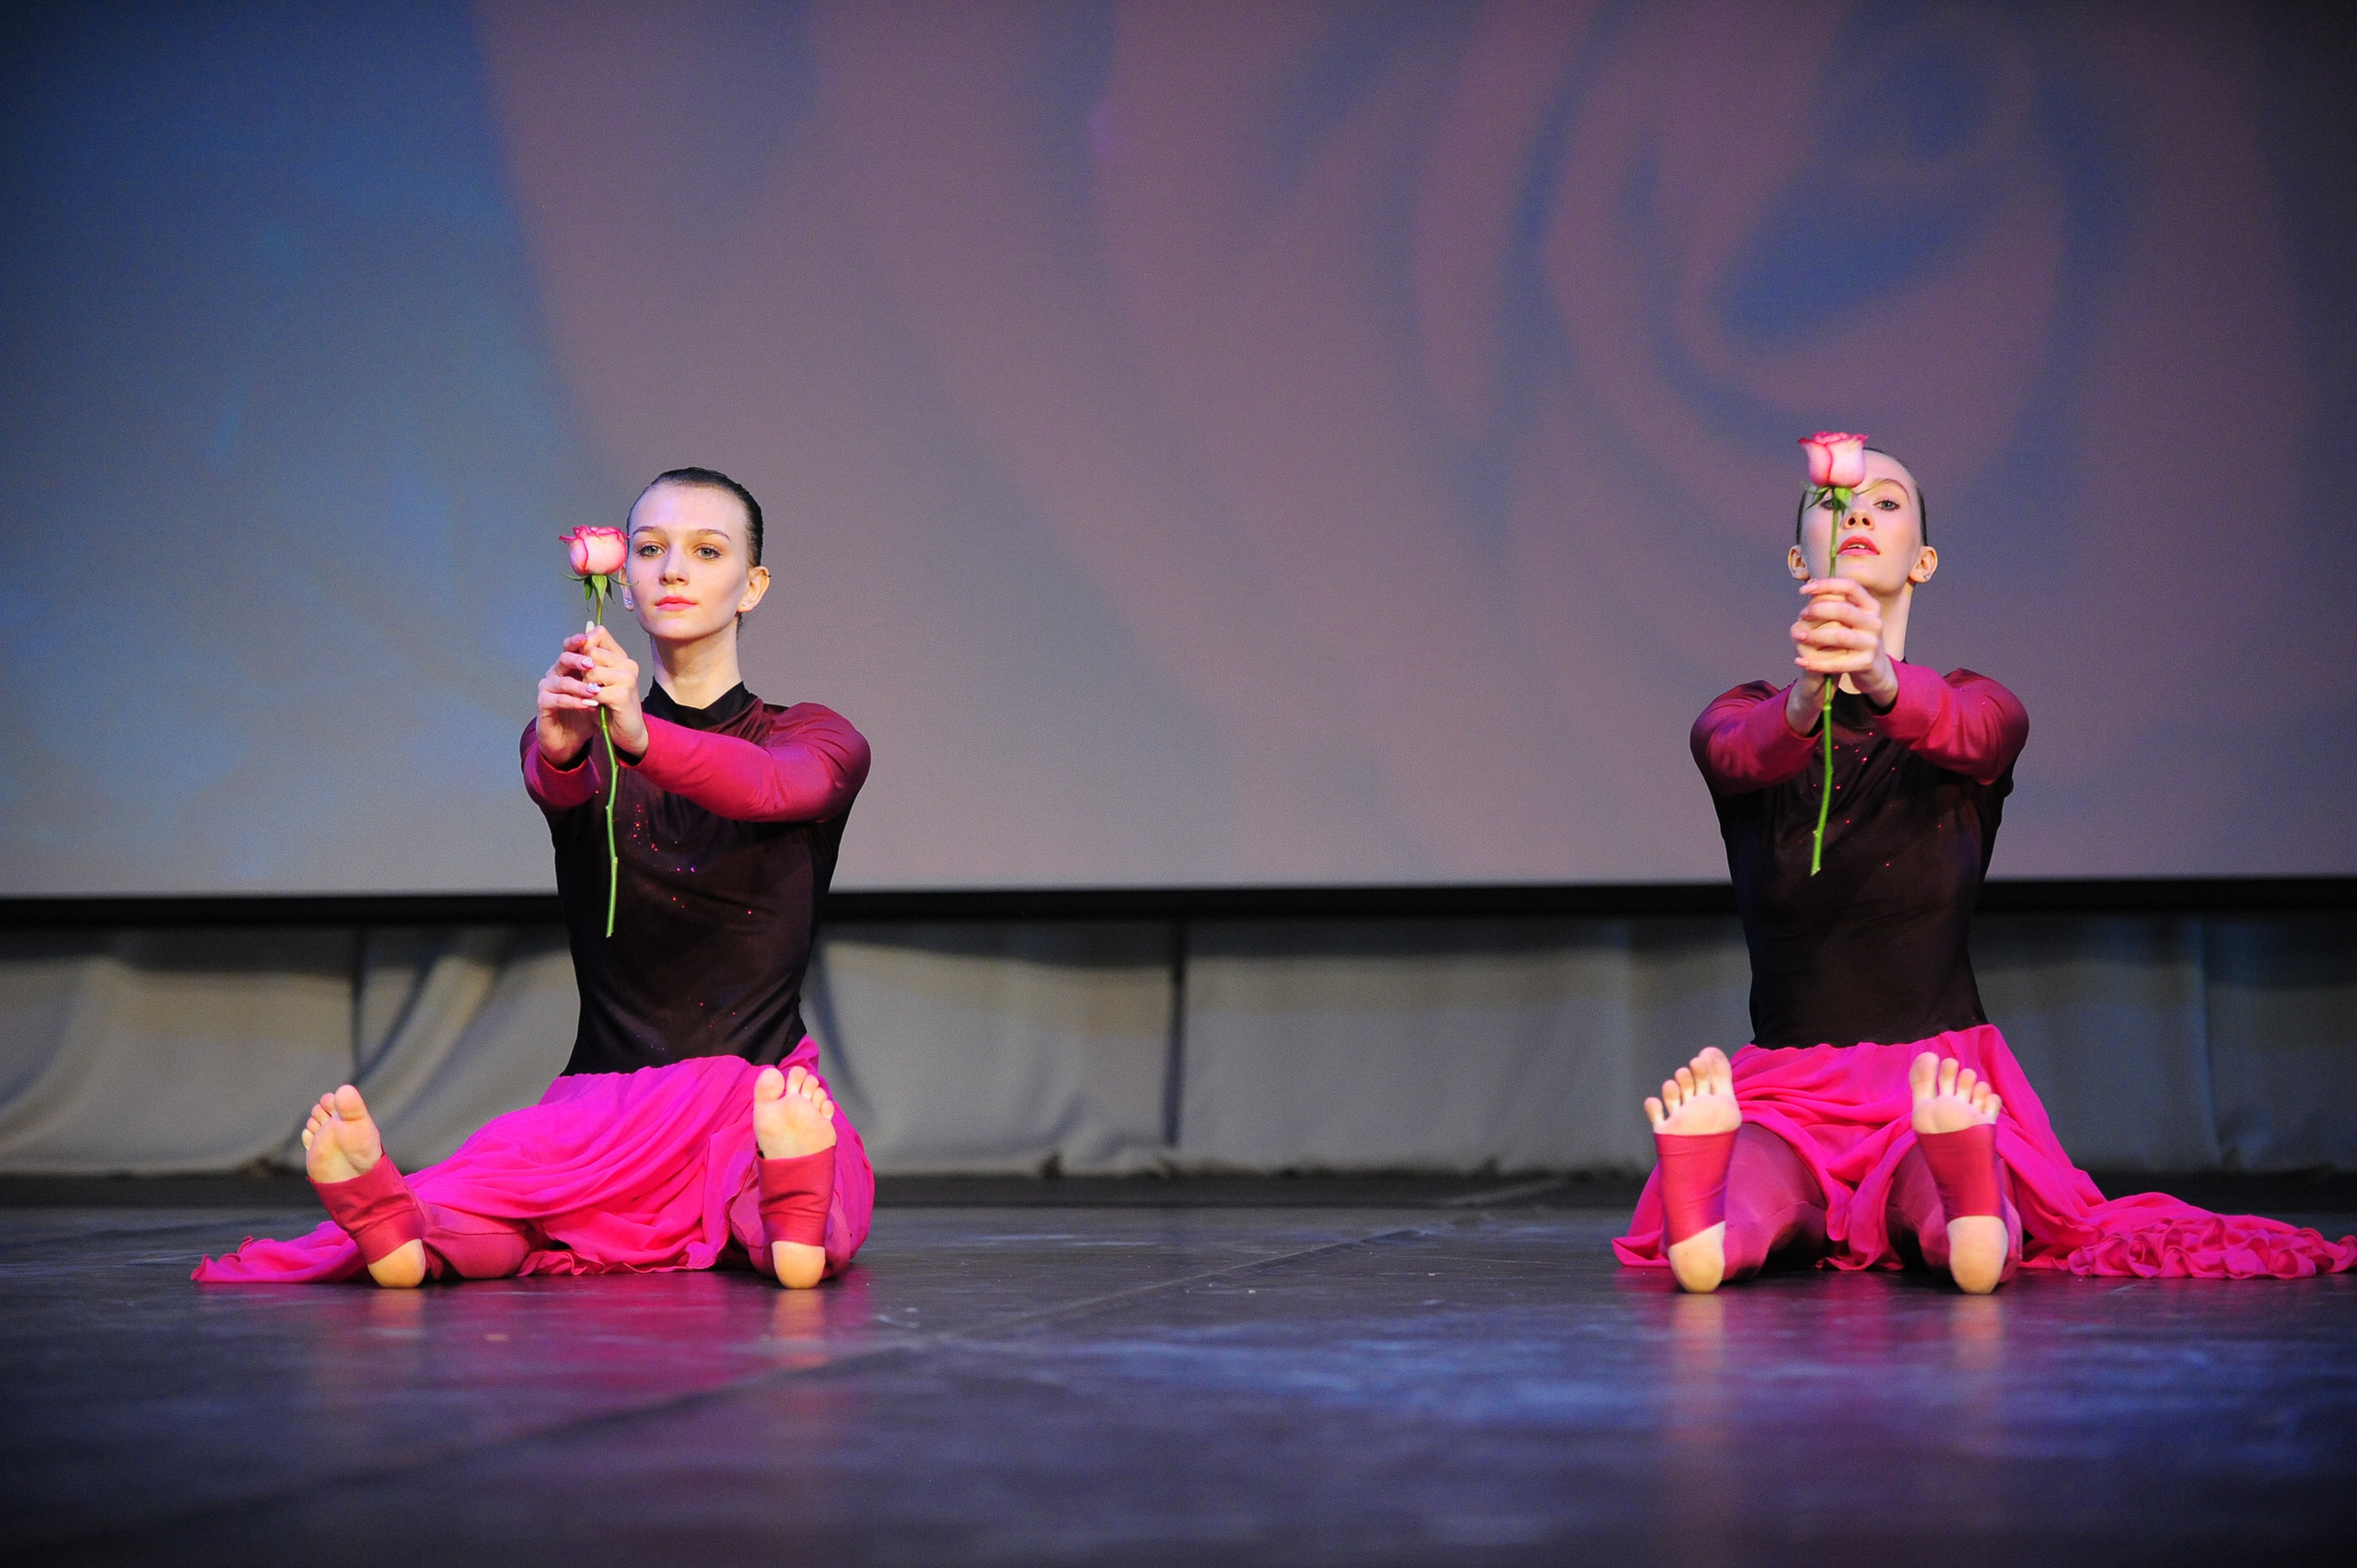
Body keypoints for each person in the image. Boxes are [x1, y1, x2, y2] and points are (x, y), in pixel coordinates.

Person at [1616, 447, 2354, 1293]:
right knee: (1750, 1185)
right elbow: (1740, 754)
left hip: (1933, 1082)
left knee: (1939, 1190)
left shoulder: (1979, 704)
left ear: (1923, 561)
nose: (1859, 516)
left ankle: (1966, 1212)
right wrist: (1807, 696)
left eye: (1886, 504)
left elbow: (1973, 732)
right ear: (1796, 559)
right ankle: (1713, 1237)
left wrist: (1877, 674)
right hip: (1787, 1093)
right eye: (1836, 503)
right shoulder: (1740, 714)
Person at [196, 468, 873, 1289]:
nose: (673, 569)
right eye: (650, 550)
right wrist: (566, 743)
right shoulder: (577, 733)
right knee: (509, 1208)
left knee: (780, 1178)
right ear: (624, 585)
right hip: (602, 1113)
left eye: (706, 550)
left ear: (753, 586)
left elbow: (770, 786)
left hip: (758, 1095)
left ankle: (787, 1212)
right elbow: (553, 774)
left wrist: (640, 735)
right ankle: (401, 1232)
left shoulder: (815, 736)